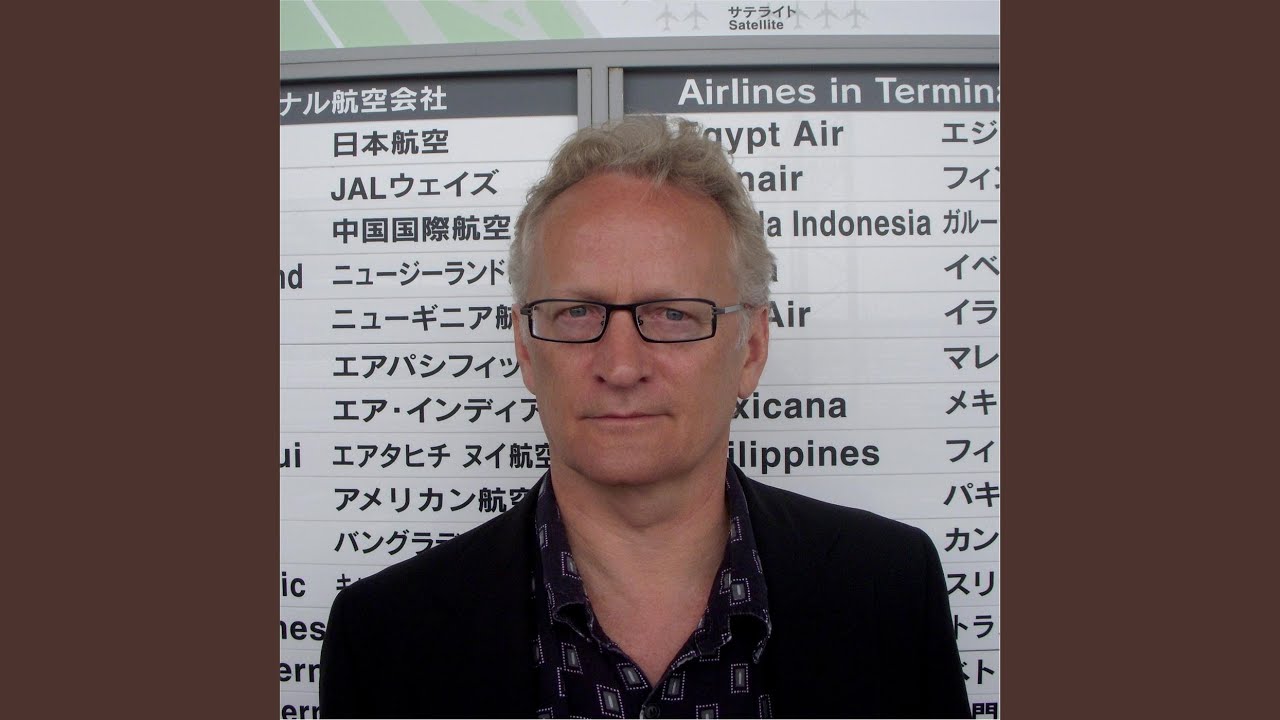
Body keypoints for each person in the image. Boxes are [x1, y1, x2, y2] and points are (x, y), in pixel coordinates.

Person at [319, 116, 971, 719]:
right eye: (576, 312)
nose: (621, 365)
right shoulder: (382, 635)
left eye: (674, 313)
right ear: (525, 348)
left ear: (751, 350)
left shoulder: (889, 588)